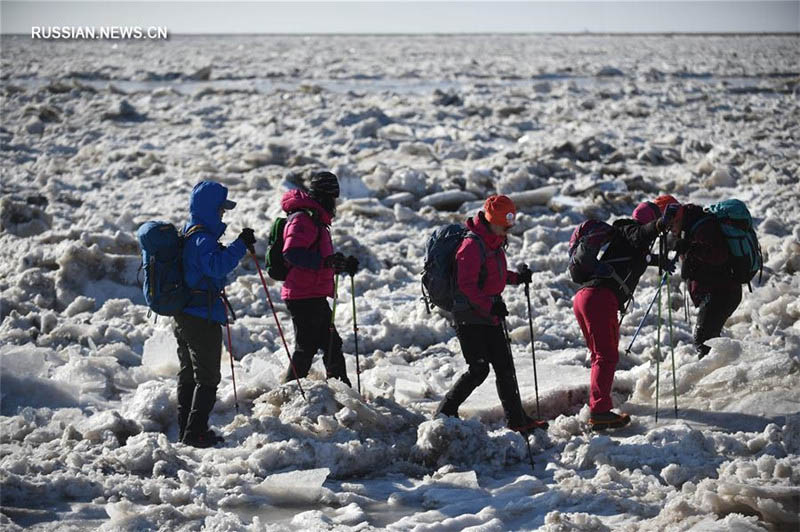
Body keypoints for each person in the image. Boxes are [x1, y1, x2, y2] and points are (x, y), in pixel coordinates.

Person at [435, 195, 548, 434]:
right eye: (504, 224)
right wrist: (489, 306)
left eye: (509, 225)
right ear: (491, 220)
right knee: (478, 369)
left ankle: (517, 421)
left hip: (489, 313)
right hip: (469, 315)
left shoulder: (493, 241)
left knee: (505, 367)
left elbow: (492, 273)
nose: (507, 230)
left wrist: (516, 278)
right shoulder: (472, 245)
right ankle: (444, 412)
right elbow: (466, 284)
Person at [573, 201, 671, 430]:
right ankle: (599, 411)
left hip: (588, 297)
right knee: (606, 357)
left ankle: (599, 408)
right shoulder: (629, 229)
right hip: (599, 298)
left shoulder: (628, 242)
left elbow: (638, 254)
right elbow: (641, 233)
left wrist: (659, 261)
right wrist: (658, 225)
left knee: (601, 356)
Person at [175, 181, 256, 448]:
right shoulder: (202, 238)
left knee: (189, 373)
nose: (223, 214)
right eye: (221, 209)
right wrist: (239, 245)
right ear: (211, 208)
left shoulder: (189, 231)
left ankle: (185, 429)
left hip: (185, 312)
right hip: (200, 315)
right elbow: (216, 267)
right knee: (208, 376)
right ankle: (195, 432)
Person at [280, 171, 355, 386]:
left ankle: (340, 389)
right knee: (306, 348)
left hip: (312, 293)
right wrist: (325, 263)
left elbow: (317, 255)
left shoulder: (316, 220)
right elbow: (292, 252)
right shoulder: (303, 219)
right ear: (324, 196)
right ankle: (289, 392)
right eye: (332, 197)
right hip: (302, 295)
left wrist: (337, 263)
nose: (334, 203)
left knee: (332, 343)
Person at [666, 203, 741, 358]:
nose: (671, 229)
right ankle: (725, 374)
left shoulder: (703, 227)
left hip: (723, 291)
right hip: (716, 291)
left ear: (679, 219)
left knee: (704, 340)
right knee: (709, 340)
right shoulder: (687, 229)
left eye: (672, 224)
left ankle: (719, 378)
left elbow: (719, 255)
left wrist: (690, 247)